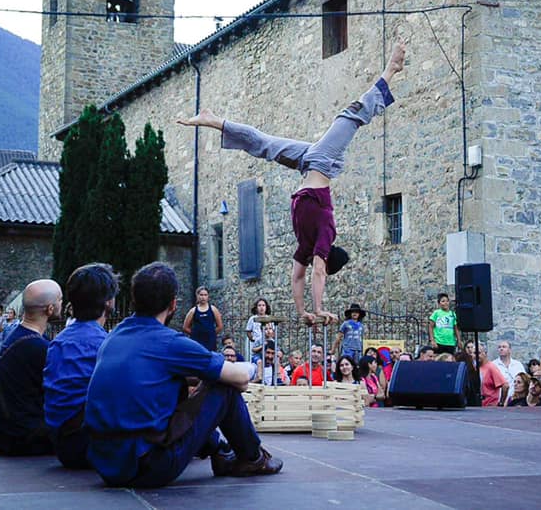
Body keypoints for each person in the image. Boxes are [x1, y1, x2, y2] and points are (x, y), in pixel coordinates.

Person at [178, 42, 406, 325]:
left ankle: (390, 70)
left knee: (350, 116)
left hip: (318, 164)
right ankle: (215, 121)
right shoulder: (311, 244)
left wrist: (315, 309)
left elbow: (311, 273)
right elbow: (300, 275)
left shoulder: (323, 237)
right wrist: (307, 311)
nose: (315, 263)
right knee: (264, 144)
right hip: (312, 167)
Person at [85, 262, 281, 487]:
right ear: (173, 304)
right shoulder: (169, 342)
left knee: (178, 383)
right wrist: (237, 373)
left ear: (134, 299)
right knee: (223, 387)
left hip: (106, 464)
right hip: (146, 466)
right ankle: (252, 458)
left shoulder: (113, 337)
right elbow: (239, 377)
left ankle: (220, 450)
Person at [43, 263, 117, 469]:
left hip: (62, 444)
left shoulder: (58, 342)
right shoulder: (105, 344)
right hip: (89, 445)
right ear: (109, 302)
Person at [0, 278, 62, 456]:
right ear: (50, 309)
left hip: (5, 435)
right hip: (25, 438)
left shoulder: (17, 338)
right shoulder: (38, 347)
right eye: (60, 299)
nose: (63, 303)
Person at [182, 286, 222, 352]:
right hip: (197, 341)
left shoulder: (213, 309)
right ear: (197, 296)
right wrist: (195, 334)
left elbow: (220, 326)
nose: (203, 297)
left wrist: (211, 333)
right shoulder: (193, 311)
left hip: (210, 341)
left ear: (208, 296)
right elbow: (185, 327)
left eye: (205, 295)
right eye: (201, 295)